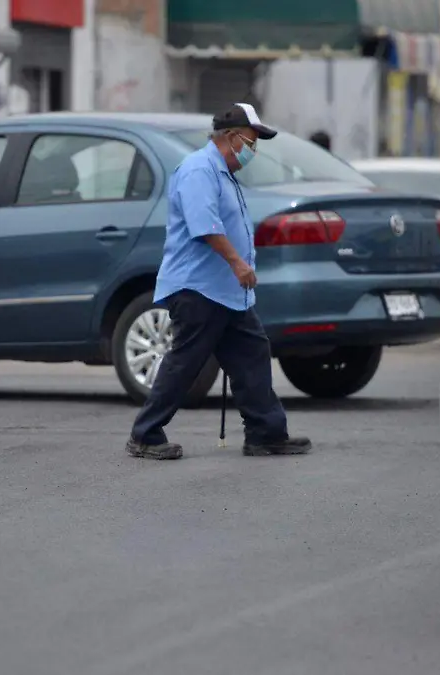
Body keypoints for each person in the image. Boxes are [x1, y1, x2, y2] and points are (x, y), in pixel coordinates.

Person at [125, 103, 312, 461]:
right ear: (229, 137)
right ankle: (145, 434)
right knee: (186, 362)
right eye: (251, 141)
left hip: (226, 291)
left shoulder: (224, 173)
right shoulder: (199, 170)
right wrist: (238, 263)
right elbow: (205, 227)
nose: (253, 150)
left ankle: (265, 433)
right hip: (198, 287)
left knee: (252, 353)